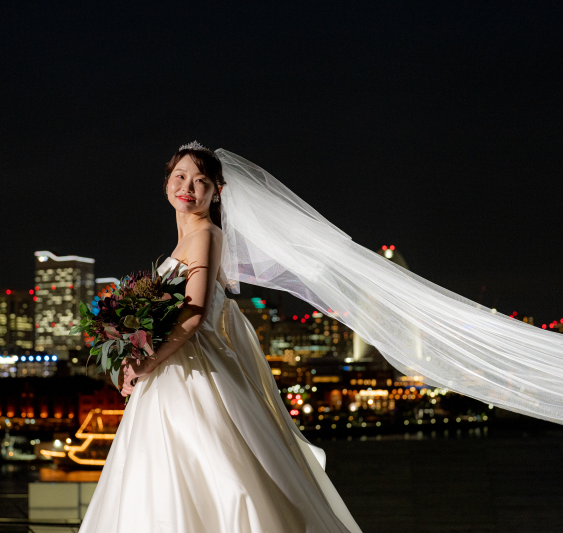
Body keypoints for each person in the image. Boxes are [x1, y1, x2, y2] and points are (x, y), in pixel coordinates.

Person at [79, 141, 362, 532]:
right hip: (170, 368)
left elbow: (193, 316)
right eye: (180, 177)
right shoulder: (186, 239)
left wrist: (146, 361)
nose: (188, 187)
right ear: (166, 183)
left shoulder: (206, 235)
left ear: (217, 192)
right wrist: (132, 352)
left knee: (220, 474)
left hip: (192, 370)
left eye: (201, 181)